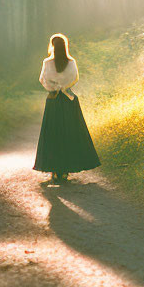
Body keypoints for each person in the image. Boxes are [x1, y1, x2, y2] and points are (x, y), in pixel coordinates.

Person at [33, 33, 101, 182]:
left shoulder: (47, 62)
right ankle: (66, 170)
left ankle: (54, 170)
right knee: (70, 134)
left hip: (53, 100)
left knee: (52, 134)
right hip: (68, 100)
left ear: (52, 46)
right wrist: (63, 86)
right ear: (65, 46)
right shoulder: (71, 62)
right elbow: (75, 78)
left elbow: (43, 79)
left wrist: (54, 87)